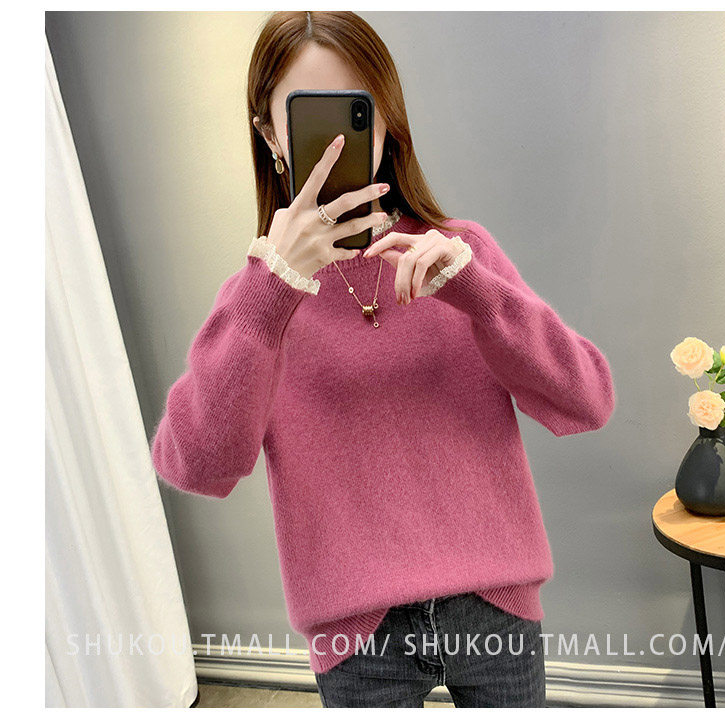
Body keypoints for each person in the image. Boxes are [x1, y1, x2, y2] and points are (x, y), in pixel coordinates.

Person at [150, 10, 616, 708]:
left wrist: (478, 296)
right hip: (356, 635)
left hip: (496, 605)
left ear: (388, 119)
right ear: (270, 133)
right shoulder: (257, 304)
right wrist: (271, 294)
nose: (339, 142)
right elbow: (195, 463)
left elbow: (588, 400)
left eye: (357, 110)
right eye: (311, 115)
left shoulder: (459, 255)